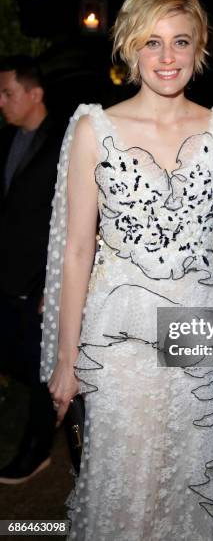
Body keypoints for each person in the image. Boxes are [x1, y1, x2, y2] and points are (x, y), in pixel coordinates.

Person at [40, 0, 213, 540]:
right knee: (125, 489)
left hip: (200, 339)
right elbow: (77, 250)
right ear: (129, 47)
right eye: (152, 42)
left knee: (196, 485)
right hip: (118, 348)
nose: (167, 57)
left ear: (199, 48)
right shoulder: (93, 130)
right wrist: (66, 356)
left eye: (180, 41)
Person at [0, 56, 61, 484]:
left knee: (44, 370)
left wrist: (53, 283)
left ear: (33, 94)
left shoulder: (63, 143)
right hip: (5, 278)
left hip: (39, 282)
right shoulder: (5, 140)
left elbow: (72, 217)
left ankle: (36, 450)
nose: (1, 101)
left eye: (7, 92)